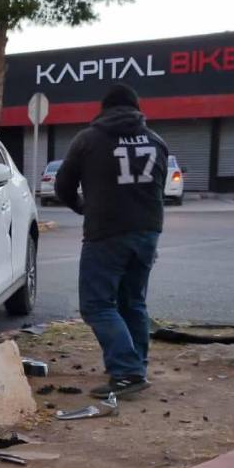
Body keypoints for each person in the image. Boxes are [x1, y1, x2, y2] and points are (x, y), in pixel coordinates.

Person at [55, 83, 168, 398]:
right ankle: (136, 366)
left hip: (105, 233)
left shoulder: (89, 140)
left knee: (96, 305)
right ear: (137, 109)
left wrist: (83, 207)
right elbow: (159, 190)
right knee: (133, 302)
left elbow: (63, 186)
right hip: (147, 232)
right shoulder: (157, 141)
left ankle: (126, 371)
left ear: (103, 109)